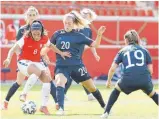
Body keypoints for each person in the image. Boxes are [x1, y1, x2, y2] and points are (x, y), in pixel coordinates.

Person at [41, 11, 106, 115]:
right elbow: (47, 47)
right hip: (62, 66)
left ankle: (105, 106)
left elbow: (95, 45)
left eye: (69, 23)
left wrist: (99, 35)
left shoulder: (79, 35)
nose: (67, 25)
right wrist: (44, 54)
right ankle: (61, 109)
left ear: (74, 23)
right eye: (65, 23)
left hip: (77, 66)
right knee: (59, 82)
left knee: (92, 88)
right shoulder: (57, 34)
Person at [2, 20, 71, 115]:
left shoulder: (44, 38)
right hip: (23, 62)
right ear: (30, 32)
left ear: (41, 32)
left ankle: (43, 106)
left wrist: (61, 52)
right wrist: (8, 59)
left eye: (38, 34)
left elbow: (51, 46)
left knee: (47, 80)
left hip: (36, 63)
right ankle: (24, 94)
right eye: (34, 34)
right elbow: (13, 49)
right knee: (35, 71)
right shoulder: (25, 38)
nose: (36, 36)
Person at [101, 30, 159, 119]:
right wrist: (145, 81)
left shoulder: (122, 51)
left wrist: (108, 81)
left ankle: (106, 113)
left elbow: (112, 68)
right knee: (153, 94)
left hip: (128, 79)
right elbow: (151, 70)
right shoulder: (144, 50)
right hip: (144, 79)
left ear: (127, 40)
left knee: (116, 90)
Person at [12, 6, 58, 110]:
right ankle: (7, 101)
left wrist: (44, 54)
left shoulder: (40, 27)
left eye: (34, 15)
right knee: (18, 82)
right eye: (30, 15)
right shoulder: (22, 30)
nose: (32, 17)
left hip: (38, 59)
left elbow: (44, 44)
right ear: (26, 16)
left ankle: (58, 103)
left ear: (37, 16)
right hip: (26, 61)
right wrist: (20, 61)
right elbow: (17, 47)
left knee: (48, 79)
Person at [64, 8, 99, 101]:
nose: (84, 16)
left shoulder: (88, 30)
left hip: (78, 56)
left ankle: (62, 93)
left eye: (86, 15)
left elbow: (90, 44)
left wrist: (95, 54)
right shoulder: (76, 27)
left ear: (90, 18)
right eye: (82, 15)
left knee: (79, 75)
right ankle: (90, 95)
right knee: (80, 75)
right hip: (72, 54)